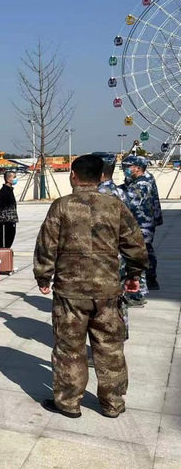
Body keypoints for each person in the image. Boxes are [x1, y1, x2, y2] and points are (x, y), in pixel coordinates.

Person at [34, 154, 147, 418]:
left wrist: (43, 277)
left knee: (69, 349)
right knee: (110, 348)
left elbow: (46, 245)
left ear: (73, 175)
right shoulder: (115, 206)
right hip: (107, 291)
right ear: (101, 177)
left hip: (70, 293)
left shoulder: (61, 206)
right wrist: (134, 274)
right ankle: (113, 403)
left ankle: (69, 402)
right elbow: (136, 245)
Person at [120, 154, 162, 298]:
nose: (124, 169)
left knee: (141, 253)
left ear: (138, 168)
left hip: (142, 223)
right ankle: (150, 280)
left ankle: (143, 287)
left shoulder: (143, 183)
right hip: (142, 222)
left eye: (127, 167)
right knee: (146, 251)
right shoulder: (140, 179)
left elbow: (128, 198)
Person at [0, 171, 18, 248]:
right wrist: (2, 221)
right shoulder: (4, 192)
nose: (15, 179)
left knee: (9, 241)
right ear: (8, 179)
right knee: (4, 243)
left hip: (11, 221)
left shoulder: (9, 190)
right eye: (14, 177)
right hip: (6, 222)